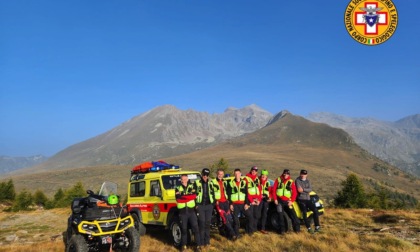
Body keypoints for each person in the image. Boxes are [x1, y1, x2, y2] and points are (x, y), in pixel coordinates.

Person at [175, 174, 201, 251]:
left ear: (187, 179)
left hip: (191, 211)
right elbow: (178, 199)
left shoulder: (192, 186)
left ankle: (198, 246)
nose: (185, 180)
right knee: (184, 229)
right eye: (183, 179)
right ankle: (184, 245)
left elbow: (194, 196)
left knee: (196, 229)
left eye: (186, 178)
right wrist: (188, 197)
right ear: (181, 180)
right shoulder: (177, 188)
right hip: (182, 212)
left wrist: (184, 196)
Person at [272, 169, 300, 234]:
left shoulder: (291, 181)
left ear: (289, 175)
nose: (286, 175)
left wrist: (292, 201)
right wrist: (275, 199)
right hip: (279, 201)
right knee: (280, 216)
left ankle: (297, 230)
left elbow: (295, 193)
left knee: (293, 215)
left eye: (287, 174)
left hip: (288, 201)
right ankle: (282, 230)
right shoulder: (278, 180)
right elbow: (274, 190)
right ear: (283, 173)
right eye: (285, 173)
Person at [211, 169, 236, 240]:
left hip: (226, 202)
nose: (220, 175)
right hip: (218, 203)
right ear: (217, 173)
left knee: (230, 219)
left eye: (222, 174)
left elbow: (229, 192)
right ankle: (233, 234)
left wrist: (230, 202)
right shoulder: (212, 182)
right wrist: (215, 200)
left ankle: (227, 234)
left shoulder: (225, 182)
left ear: (223, 175)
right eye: (219, 174)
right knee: (225, 219)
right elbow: (211, 193)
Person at [227, 168, 252, 237]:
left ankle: (248, 232)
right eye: (235, 174)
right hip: (234, 204)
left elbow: (246, 194)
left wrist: (247, 203)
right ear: (234, 174)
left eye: (238, 174)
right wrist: (230, 204)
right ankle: (237, 234)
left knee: (250, 217)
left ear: (240, 174)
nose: (237, 175)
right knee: (236, 220)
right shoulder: (230, 183)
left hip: (243, 204)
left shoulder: (244, 182)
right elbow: (228, 195)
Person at [295, 169, 321, 233]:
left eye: (304, 174)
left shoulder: (308, 181)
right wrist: (306, 190)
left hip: (308, 199)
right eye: (302, 174)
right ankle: (308, 228)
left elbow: (310, 189)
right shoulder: (297, 180)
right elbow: (299, 190)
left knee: (315, 211)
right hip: (301, 199)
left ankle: (317, 226)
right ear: (300, 174)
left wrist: (303, 189)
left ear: (306, 175)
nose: (303, 175)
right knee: (304, 213)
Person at [194, 168, 214, 247]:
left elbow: (214, 193)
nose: (205, 176)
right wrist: (196, 204)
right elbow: (193, 194)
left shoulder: (211, 183)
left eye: (207, 175)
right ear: (202, 174)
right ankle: (201, 242)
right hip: (200, 206)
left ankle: (207, 242)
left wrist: (213, 203)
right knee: (202, 223)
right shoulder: (196, 183)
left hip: (209, 206)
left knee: (207, 224)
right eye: (204, 174)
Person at [244, 166, 261, 234]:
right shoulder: (246, 178)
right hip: (250, 200)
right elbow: (246, 191)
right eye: (253, 170)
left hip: (257, 200)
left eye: (255, 171)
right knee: (250, 216)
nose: (254, 172)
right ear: (251, 170)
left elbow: (259, 190)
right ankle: (249, 231)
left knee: (256, 215)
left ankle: (254, 229)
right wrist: (251, 201)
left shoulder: (257, 179)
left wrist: (259, 200)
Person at [258, 169, 271, 234]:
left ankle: (262, 228)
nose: (263, 176)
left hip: (266, 200)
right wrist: (259, 196)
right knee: (258, 214)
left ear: (266, 176)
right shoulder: (258, 181)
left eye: (265, 175)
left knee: (264, 214)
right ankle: (256, 227)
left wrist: (270, 197)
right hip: (259, 200)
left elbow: (271, 191)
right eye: (262, 175)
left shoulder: (268, 182)